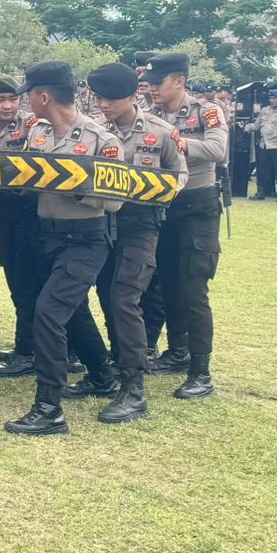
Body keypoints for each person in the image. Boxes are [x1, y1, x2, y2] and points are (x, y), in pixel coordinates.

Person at [3, 61, 122, 437]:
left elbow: (115, 201)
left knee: (49, 314)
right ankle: (102, 375)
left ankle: (49, 408)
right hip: (45, 236)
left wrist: (72, 184)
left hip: (84, 239)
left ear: (44, 95)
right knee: (73, 312)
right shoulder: (36, 133)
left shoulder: (104, 140)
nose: (28, 105)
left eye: (29, 96)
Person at [86, 62, 187, 424]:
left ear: (132, 95)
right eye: (99, 98)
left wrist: (154, 190)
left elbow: (180, 176)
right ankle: (115, 366)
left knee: (125, 297)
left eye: (111, 98)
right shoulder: (93, 131)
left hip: (143, 225)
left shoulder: (161, 132)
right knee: (104, 294)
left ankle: (134, 389)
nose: (104, 105)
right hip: (102, 223)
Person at [141, 52, 225, 399]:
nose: (151, 88)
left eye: (157, 82)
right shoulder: (152, 114)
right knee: (169, 283)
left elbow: (218, 149)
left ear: (179, 81)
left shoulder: (206, 110)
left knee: (193, 290)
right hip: (165, 206)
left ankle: (200, 371)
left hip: (198, 205)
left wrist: (179, 144)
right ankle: (177, 353)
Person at [0, 76, 43, 378]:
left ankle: (28, 350)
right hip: (4, 209)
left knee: (27, 278)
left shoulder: (31, 125)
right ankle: (25, 345)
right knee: (13, 274)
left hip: (29, 208)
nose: (7, 105)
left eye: (12, 99)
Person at [254, 89, 277, 200]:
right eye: (270, 98)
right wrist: (245, 127)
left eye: (275, 99)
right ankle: (261, 192)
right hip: (264, 145)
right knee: (262, 170)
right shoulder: (265, 110)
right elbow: (257, 125)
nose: (272, 100)